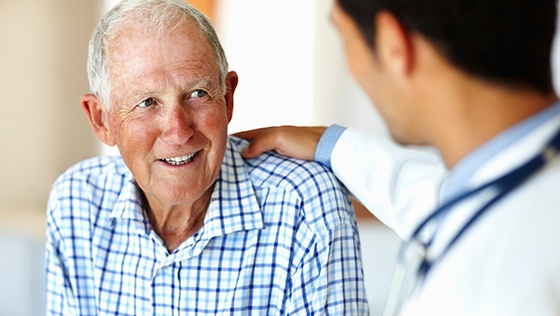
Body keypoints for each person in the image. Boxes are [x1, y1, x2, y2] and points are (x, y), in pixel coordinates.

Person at [44, 0, 370, 315]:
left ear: (227, 99)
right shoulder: (77, 201)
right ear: (101, 120)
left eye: (197, 94)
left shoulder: (305, 204)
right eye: (147, 102)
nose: (178, 130)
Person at [236, 0, 560, 315]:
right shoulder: (521, 188)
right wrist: (335, 145)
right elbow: (448, 200)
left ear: (393, 44)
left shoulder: (491, 283)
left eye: (343, 36)